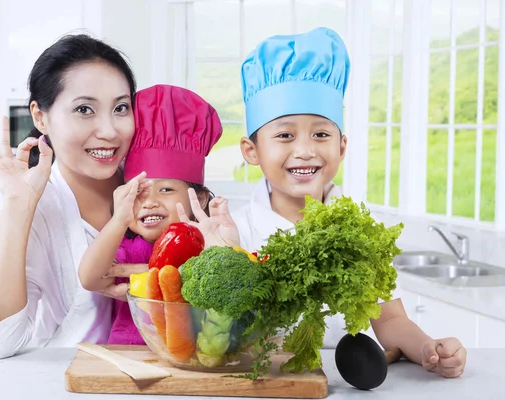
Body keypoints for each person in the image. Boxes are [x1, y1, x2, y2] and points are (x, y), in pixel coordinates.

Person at [231, 27, 467, 378]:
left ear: (341, 146)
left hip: (348, 385)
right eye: (284, 135)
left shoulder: (361, 232)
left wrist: (426, 347)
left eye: (321, 134)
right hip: (266, 385)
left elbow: (389, 319)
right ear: (252, 151)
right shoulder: (234, 230)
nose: (306, 150)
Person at [0, 34, 147, 359]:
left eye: (121, 107)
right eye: (84, 109)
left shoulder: (154, 191)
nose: (109, 130)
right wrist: (16, 206)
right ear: (40, 117)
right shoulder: (38, 203)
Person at [77, 84, 224, 345]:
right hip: (127, 358)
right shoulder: (126, 247)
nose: (150, 201)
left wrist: (141, 273)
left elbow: (215, 286)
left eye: (166, 189)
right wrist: (119, 219)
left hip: (193, 361)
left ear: (198, 198)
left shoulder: (207, 247)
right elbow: (89, 279)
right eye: (139, 192)